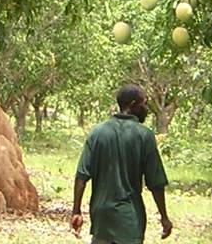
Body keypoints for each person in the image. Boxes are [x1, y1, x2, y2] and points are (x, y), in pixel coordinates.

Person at [71, 84, 172, 243]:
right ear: (133, 105)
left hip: (101, 217)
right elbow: (156, 182)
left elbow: (81, 176)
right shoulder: (144, 136)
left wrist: (76, 211)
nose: (147, 108)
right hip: (129, 218)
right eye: (144, 103)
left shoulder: (97, 133)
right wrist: (164, 217)